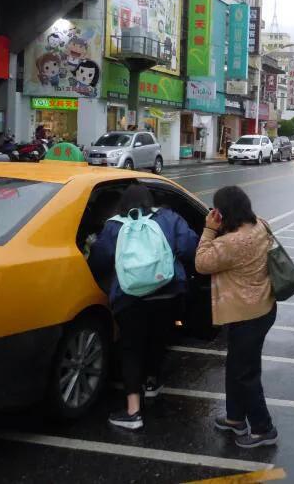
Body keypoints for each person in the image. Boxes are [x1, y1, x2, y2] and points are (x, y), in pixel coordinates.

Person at [88, 184, 199, 431]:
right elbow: (191, 248)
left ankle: (133, 411)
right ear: (150, 201)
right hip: (169, 292)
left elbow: (99, 260)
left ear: (123, 204)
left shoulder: (114, 225)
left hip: (130, 296)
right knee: (159, 339)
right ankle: (152, 383)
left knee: (131, 348)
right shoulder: (169, 218)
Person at [195, 186, 278, 449]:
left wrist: (209, 229)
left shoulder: (229, 243)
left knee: (246, 374)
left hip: (247, 315)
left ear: (224, 212)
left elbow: (202, 263)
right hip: (263, 308)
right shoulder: (260, 226)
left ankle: (263, 428)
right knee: (237, 367)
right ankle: (235, 418)